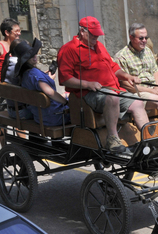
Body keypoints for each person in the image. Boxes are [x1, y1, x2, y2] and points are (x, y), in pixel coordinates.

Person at [57, 16, 149, 153]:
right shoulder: (69, 49)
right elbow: (64, 78)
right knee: (112, 97)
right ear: (82, 31)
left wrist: (127, 76)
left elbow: (113, 67)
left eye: (98, 34)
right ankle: (112, 139)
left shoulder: (98, 46)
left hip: (113, 89)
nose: (96, 38)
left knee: (138, 102)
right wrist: (87, 84)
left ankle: (149, 141)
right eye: (93, 34)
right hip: (89, 94)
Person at [16, 38, 70, 126]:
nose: (34, 57)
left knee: (66, 95)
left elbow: (39, 87)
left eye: (34, 54)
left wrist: (47, 79)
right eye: (30, 56)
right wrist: (66, 102)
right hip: (54, 116)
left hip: (40, 116)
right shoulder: (34, 73)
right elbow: (49, 92)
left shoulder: (24, 73)